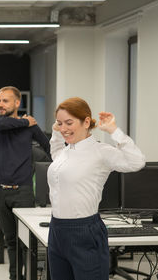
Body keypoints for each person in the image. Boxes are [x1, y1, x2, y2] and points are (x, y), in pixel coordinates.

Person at [47, 97, 145, 280]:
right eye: (60, 123)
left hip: (84, 231)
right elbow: (56, 155)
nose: (64, 128)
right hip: (56, 231)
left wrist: (114, 131)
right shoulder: (66, 151)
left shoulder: (100, 152)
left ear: (86, 122)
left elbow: (136, 162)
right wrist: (56, 132)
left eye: (69, 123)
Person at [0, 86, 50, 280]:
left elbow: (48, 146)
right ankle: (14, 277)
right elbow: (0, 125)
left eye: (5, 101)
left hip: (22, 192)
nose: (0, 104)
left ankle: (26, 276)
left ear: (17, 103)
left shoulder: (30, 127)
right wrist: (24, 120)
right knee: (10, 241)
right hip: (1, 192)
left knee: (25, 242)